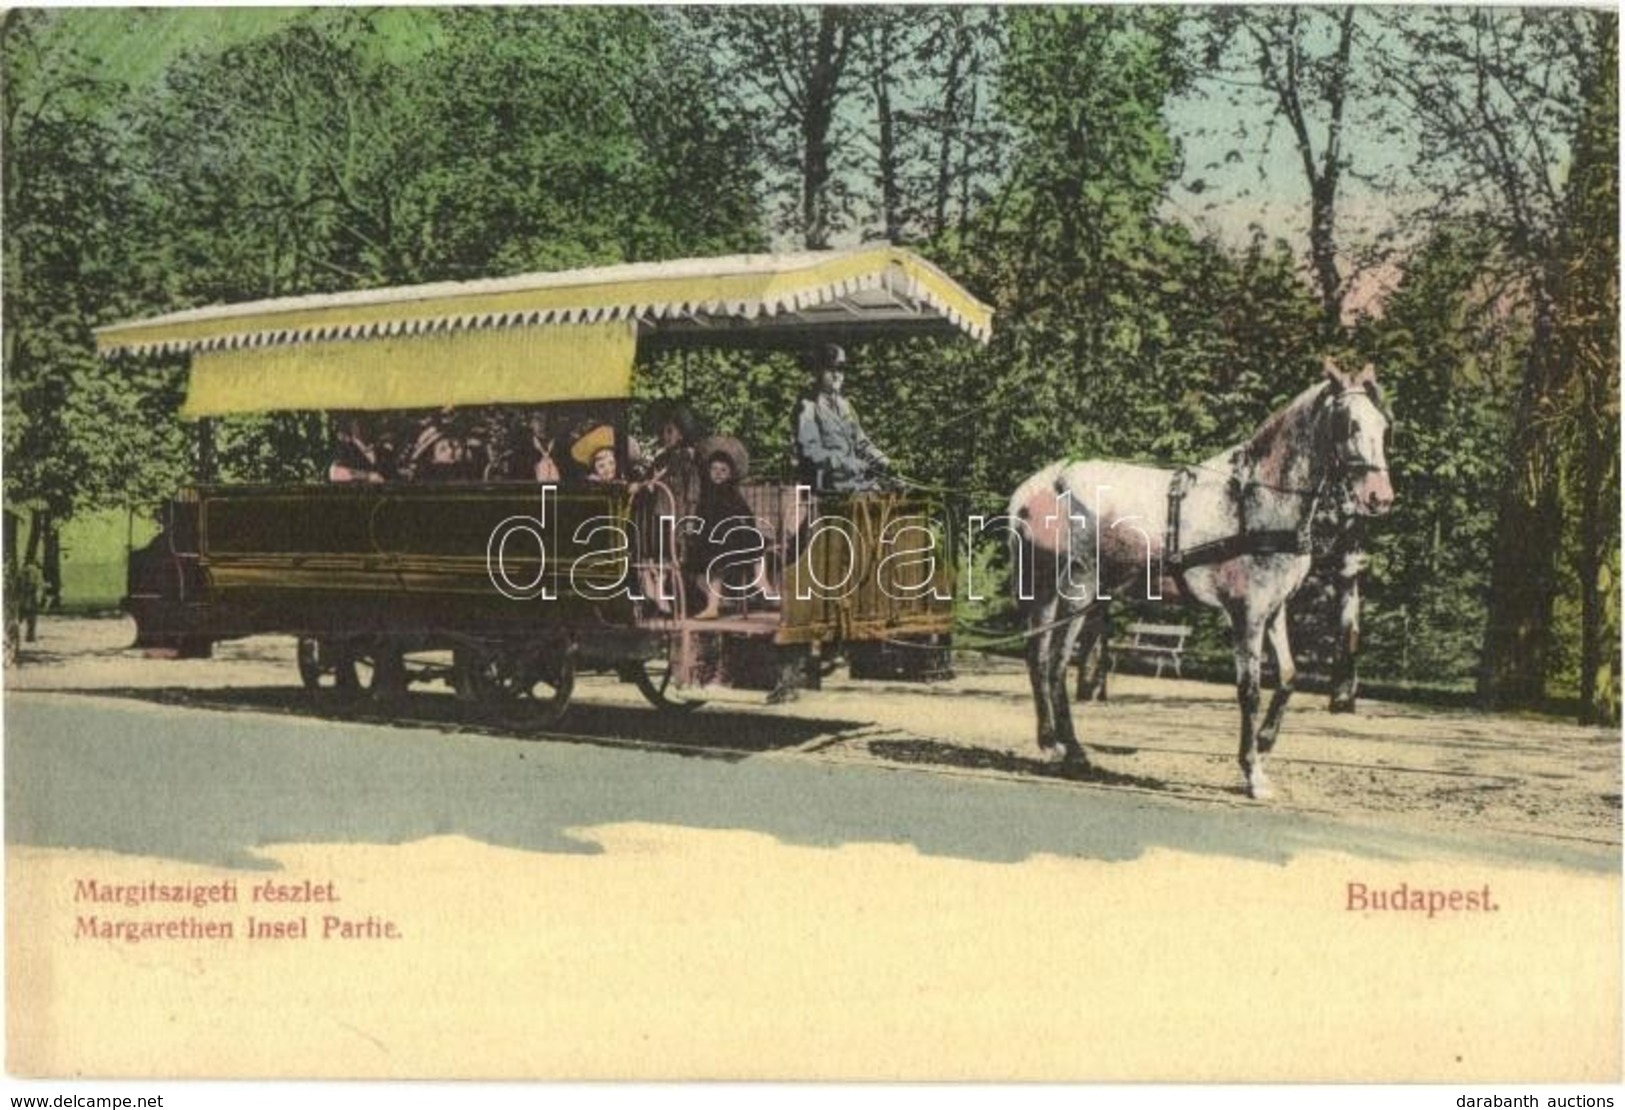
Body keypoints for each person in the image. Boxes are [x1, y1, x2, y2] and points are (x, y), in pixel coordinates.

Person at [792, 344, 892, 493]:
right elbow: (811, 452)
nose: (837, 375)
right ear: (818, 371)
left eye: (841, 369)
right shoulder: (808, 407)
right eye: (830, 369)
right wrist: (845, 462)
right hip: (827, 487)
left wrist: (881, 459)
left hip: (855, 483)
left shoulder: (845, 405)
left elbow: (861, 442)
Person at [686, 447, 758, 620]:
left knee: (755, 545)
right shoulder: (706, 493)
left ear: (730, 474)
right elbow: (700, 518)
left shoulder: (732, 493)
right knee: (708, 560)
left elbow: (747, 516)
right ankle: (714, 604)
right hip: (711, 540)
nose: (718, 474)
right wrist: (695, 530)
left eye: (723, 470)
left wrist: (741, 527)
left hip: (732, 539)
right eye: (714, 469)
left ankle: (764, 587)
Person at [328, 415, 387, 483]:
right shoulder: (346, 448)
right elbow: (335, 473)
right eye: (359, 421)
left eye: (369, 421)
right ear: (352, 426)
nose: (365, 425)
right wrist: (367, 476)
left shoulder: (383, 451)